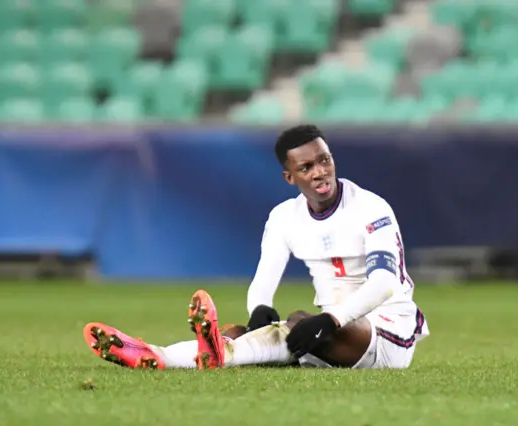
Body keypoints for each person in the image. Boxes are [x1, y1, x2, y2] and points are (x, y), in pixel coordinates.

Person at [83, 124, 429, 370]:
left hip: (388, 332)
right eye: (306, 167)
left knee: (297, 323)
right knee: (248, 331)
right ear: (289, 178)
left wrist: (331, 317)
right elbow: (265, 276)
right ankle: (158, 355)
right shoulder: (283, 217)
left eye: (324, 160)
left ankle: (195, 354)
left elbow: (384, 284)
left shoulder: (372, 208)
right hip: (326, 328)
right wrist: (259, 307)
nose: (321, 172)